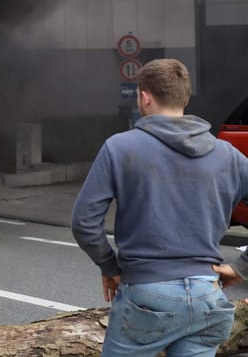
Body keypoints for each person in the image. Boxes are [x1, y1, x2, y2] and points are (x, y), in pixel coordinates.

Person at [72, 58, 248, 356]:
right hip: (208, 293)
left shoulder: (120, 147)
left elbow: (84, 223)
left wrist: (109, 266)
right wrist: (242, 268)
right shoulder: (227, 155)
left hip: (146, 295)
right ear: (185, 98)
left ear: (144, 96)